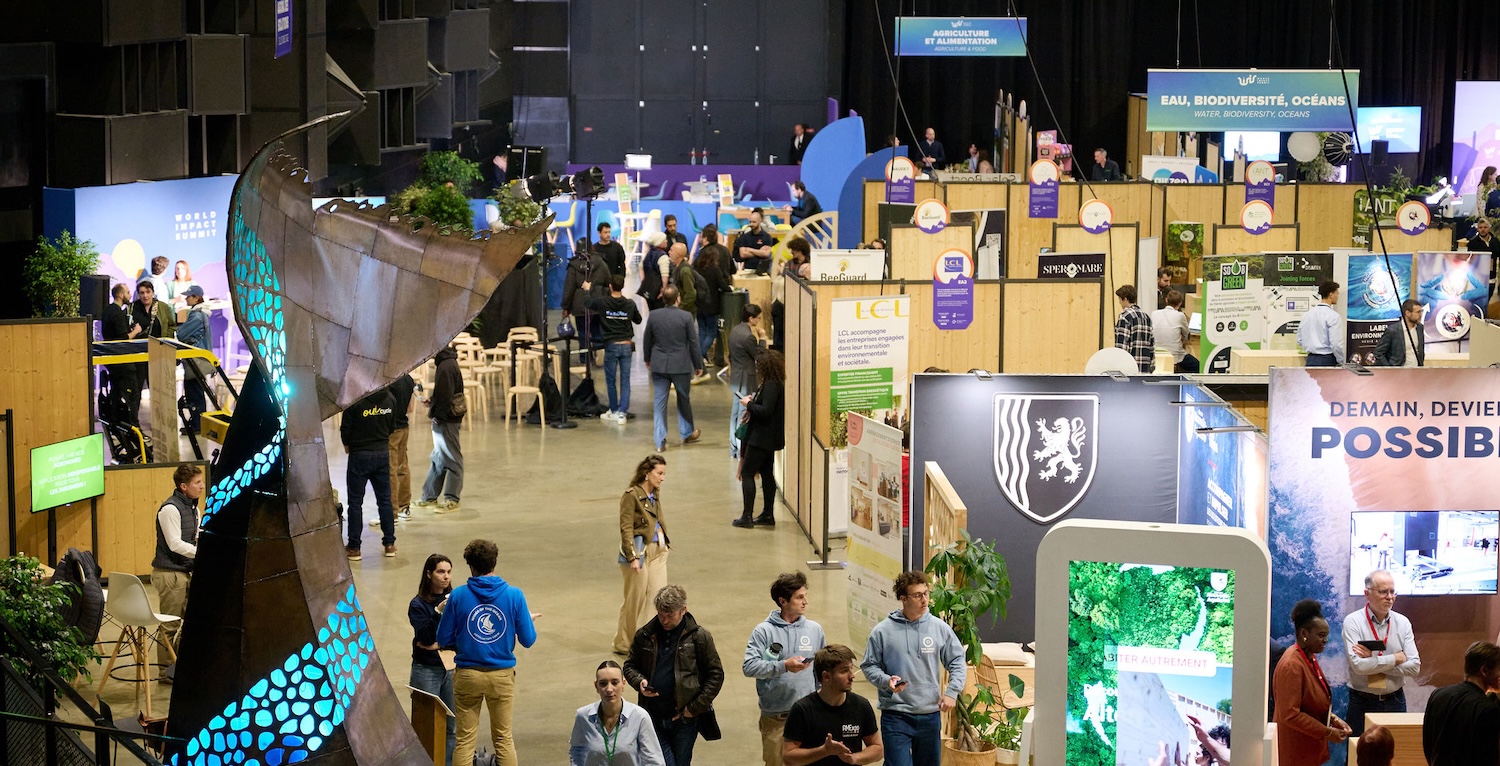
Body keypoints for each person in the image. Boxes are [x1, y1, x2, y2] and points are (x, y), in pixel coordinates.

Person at [435, 539, 538, 766]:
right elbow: (528, 640)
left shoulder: (458, 596)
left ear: (470, 566)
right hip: (501, 675)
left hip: (467, 675)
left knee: (465, 740)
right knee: (503, 738)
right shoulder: (514, 595)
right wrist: (524, 621)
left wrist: (463, 638)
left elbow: (442, 638)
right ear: (494, 562)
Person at [859, 571, 966, 766]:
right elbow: (869, 665)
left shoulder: (939, 628)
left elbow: (957, 659)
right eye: (917, 595)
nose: (924, 599)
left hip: (930, 714)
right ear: (904, 599)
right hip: (896, 714)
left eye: (926, 593)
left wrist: (952, 692)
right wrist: (886, 681)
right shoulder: (882, 631)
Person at [622, 585, 725, 766]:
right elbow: (630, 666)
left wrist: (693, 709)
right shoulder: (645, 635)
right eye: (661, 614)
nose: (664, 620)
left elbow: (715, 675)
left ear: (683, 610)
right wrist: (640, 682)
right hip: (652, 716)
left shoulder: (699, 637)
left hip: (684, 720)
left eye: (670, 615)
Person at [743, 572, 827, 766]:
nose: (805, 602)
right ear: (783, 601)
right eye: (799, 597)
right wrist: (784, 666)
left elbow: (822, 669)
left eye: (805, 596)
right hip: (777, 718)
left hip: (808, 716)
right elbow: (749, 667)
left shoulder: (814, 630)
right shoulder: (764, 631)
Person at [1342, 570, 1420, 737]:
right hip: (1362, 702)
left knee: (1396, 751)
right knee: (1358, 750)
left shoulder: (1403, 623)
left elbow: (1414, 667)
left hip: (1395, 701)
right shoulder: (1353, 622)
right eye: (1384, 592)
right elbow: (1358, 667)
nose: (1390, 597)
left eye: (1392, 592)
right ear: (1367, 594)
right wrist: (1395, 659)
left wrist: (1373, 660)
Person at [1273, 599, 1351, 766]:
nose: (1326, 640)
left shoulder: (1308, 656)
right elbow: (1290, 714)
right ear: (1304, 633)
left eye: (1326, 636)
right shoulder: (1292, 665)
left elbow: (1310, 703)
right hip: (1296, 753)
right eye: (1321, 636)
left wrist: (1333, 719)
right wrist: (1327, 732)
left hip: (1307, 749)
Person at [782, 644, 883, 766]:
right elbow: (788, 756)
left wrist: (854, 758)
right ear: (826, 676)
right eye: (844, 671)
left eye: (851, 669)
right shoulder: (802, 709)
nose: (852, 676)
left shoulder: (861, 706)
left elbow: (877, 748)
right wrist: (824, 751)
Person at [615, 455, 671, 655]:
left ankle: (648, 642)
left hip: (659, 551)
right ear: (647, 473)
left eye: (664, 473)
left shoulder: (655, 493)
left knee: (657, 598)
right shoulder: (631, 495)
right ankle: (624, 643)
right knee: (634, 600)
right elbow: (626, 528)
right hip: (640, 553)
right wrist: (633, 557)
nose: (663, 478)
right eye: (659, 473)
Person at [152, 464, 203, 676]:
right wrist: (201, 553)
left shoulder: (194, 509)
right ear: (183, 486)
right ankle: (165, 672)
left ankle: (181, 666)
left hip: (185, 572)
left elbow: (195, 537)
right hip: (170, 574)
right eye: (197, 483)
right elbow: (174, 544)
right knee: (170, 624)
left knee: (192, 622)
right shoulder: (170, 509)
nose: (202, 486)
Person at [569, 660, 666, 766]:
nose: (609, 689)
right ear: (596, 686)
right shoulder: (583, 716)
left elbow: (653, 760)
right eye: (603, 684)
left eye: (615, 683)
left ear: (623, 684)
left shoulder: (640, 717)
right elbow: (577, 751)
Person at [409, 553, 457, 766]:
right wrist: (438, 612)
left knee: (451, 727)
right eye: (440, 572)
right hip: (426, 670)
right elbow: (426, 637)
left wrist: (439, 644)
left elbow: (460, 636)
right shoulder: (417, 605)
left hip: (451, 668)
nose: (446, 577)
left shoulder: (455, 599)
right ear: (429, 574)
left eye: (449, 572)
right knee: (425, 726)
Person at [341, 385, 397, 559]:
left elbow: (346, 429)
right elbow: (392, 426)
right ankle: (389, 544)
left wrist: (348, 444)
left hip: (359, 454)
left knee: (355, 503)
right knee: (385, 501)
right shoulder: (390, 399)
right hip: (382, 453)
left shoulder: (354, 401)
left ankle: (354, 547)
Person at [1422, 640, 1500, 766]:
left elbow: (1428, 746)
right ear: (1484, 671)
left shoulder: (1437, 695)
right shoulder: (1487, 709)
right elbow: (1488, 759)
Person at [643, 286, 701, 451]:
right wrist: (698, 364)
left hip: (659, 364)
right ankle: (686, 433)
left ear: (663, 298)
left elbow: (647, 339)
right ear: (678, 298)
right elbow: (693, 342)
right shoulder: (686, 316)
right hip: (680, 365)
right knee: (683, 399)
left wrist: (647, 358)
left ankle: (660, 441)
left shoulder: (654, 315)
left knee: (659, 402)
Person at [733, 349, 785, 528]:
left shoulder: (770, 385)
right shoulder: (775, 383)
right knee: (767, 473)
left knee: (747, 473)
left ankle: (747, 516)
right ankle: (768, 514)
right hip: (769, 438)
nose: (756, 369)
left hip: (761, 438)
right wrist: (754, 401)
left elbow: (765, 411)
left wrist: (749, 404)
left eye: (758, 366)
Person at [586, 274, 643, 423]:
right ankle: (622, 412)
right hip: (626, 345)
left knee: (611, 380)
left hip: (611, 345)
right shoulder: (629, 304)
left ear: (610, 286)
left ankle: (613, 409)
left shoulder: (603, 302)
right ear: (622, 286)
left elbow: (587, 303)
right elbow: (638, 320)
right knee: (625, 380)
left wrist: (587, 290)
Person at [415, 345, 464, 512]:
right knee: (438, 458)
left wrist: (438, 416)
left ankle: (452, 499)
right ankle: (429, 496)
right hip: (446, 417)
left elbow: (446, 396)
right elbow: (444, 393)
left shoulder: (445, 367)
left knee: (452, 458)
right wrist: (433, 402)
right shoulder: (447, 363)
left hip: (447, 419)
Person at [101, 283, 144, 426]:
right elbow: (122, 339)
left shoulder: (107, 311)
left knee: (116, 392)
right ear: (120, 295)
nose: (130, 295)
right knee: (132, 394)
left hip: (112, 360)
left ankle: (116, 423)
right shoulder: (117, 313)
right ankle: (133, 426)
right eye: (127, 292)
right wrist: (136, 331)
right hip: (122, 361)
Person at [727, 304, 766, 459]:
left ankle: (733, 447)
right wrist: (762, 339)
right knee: (743, 413)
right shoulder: (748, 337)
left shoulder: (735, 331)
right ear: (751, 318)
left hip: (736, 376)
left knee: (734, 414)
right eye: (758, 318)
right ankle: (740, 448)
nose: (759, 320)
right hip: (746, 378)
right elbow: (759, 356)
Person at [174, 285, 212, 432]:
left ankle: (197, 424)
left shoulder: (197, 316)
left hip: (195, 359)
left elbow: (181, 334)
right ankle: (197, 423)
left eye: (189, 296)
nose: (186, 299)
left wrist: (178, 330)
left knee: (194, 392)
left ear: (197, 298)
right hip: (197, 359)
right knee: (195, 391)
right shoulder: (201, 313)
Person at [694, 226, 733, 366]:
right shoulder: (715, 269)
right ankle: (699, 356)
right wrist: (730, 290)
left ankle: (701, 357)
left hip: (699, 303)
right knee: (712, 332)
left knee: (701, 331)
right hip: (712, 304)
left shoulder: (697, 267)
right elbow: (723, 284)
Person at [561, 242, 611, 345]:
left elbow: (569, 288)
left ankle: (584, 354)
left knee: (583, 334)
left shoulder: (573, 266)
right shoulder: (601, 262)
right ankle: (599, 351)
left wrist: (565, 307)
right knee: (597, 333)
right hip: (598, 303)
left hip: (580, 306)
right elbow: (608, 282)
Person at [385, 373, 417, 522]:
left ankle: (392, 513)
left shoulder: (387, 381)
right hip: (404, 427)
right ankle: (404, 506)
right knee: (403, 467)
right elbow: (410, 408)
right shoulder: (408, 379)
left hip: (391, 430)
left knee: (390, 470)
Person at [1296, 280, 1345, 366]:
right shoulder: (1333, 316)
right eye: (1337, 293)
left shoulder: (1307, 315)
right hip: (1327, 360)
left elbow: (1299, 340)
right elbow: (1336, 344)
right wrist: (1341, 360)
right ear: (1331, 295)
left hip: (1310, 360)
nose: (1338, 296)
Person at [1151, 289, 1199, 373]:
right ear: (1180, 303)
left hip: (1156, 353)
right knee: (1198, 366)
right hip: (1175, 356)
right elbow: (1187, 335)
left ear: (1166, 300)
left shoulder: (1154, 313)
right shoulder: (1180, 316)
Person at [1113, 284, 1155, 373]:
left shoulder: (1124, 317)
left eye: (1120, 299)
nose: (1119, 303)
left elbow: (1122, 347)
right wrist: (1151, 366)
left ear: (1125, 299)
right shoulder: (1146, 317)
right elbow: (1151, 345)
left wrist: (1118, 367)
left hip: (1129, 370)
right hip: (1145, 368)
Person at [1372, 300, 1425, 367]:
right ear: (1408, 313)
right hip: (1399, 371)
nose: (1421, 315)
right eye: (1418, 312)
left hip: (1417, 370)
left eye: (1421, 311)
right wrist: (1390, 369)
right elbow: (1378, 353)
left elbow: (1420, 351)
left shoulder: (1420, 328)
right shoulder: (1393, 330)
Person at [735, 209, 777, 273]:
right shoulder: (745, 237)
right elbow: (743, 254)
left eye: (754, 222)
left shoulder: (767, 237)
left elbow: (766, 254)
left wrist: (750, 250)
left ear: (760, 221)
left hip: (764, 270)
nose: (751, 224)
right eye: (750, 222)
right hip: (748, 269)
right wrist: (760, 252)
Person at [638, 231, 672, 311]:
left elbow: (640, 267)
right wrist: (664, 289)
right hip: (658, 291)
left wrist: (643, 282)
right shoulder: (663, 256)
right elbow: (664, 275)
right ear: (659, 242)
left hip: (648, 290)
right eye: (664, 240)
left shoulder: (648, 253)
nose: (666, 241)